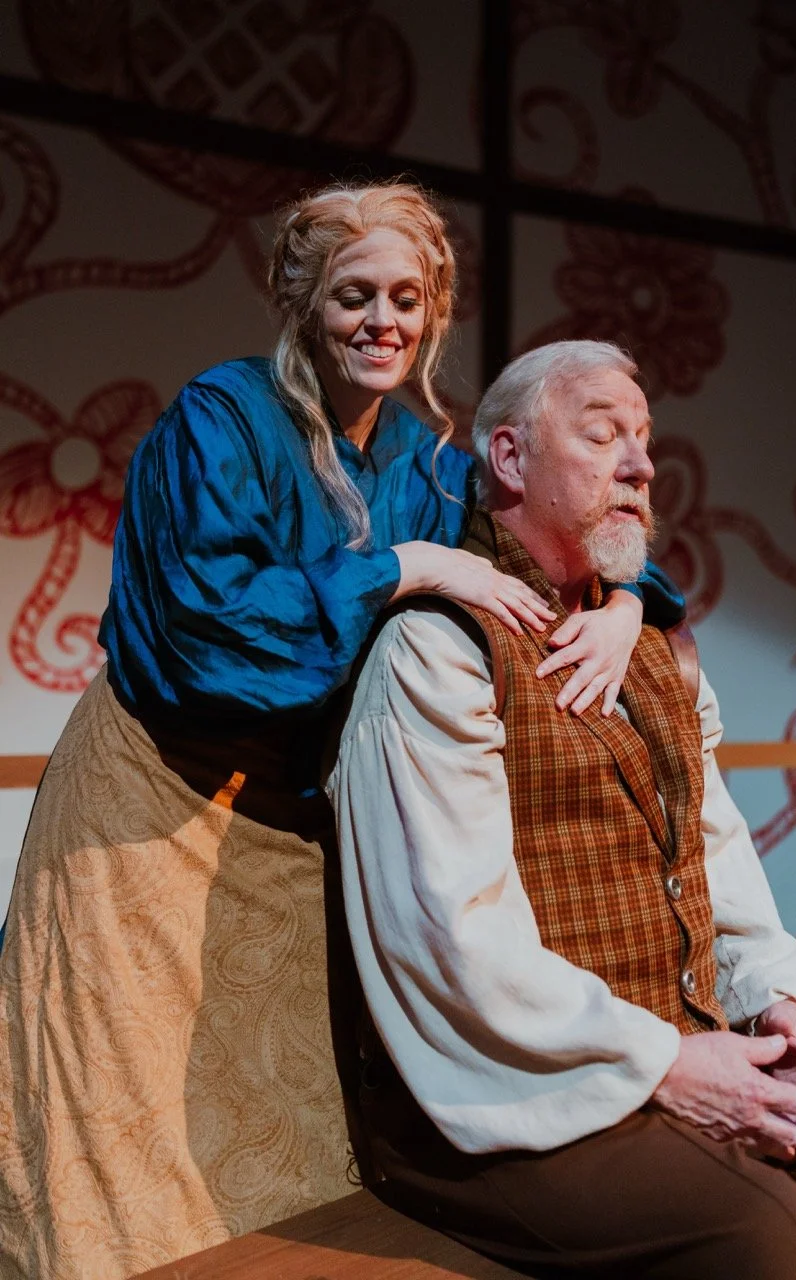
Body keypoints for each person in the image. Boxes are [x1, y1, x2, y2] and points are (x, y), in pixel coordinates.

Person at [0, 187, 683, 1280]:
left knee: (275, 1145)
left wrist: (627, 603)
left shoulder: (425, 462)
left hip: (293, 834)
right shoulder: (222, 418)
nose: (382, 321)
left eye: (405, 299)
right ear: (305, 304)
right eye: (353, 295)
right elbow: (209, 631)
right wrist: (402, 566)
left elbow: (557, 524)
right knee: (123, 1140)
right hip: (151, 807)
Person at [327, 338, 796, 1280]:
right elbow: (454, 939)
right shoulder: (437, 650)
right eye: (603, 434)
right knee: (771, 1238)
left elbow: (719, 864)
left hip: (658, 1051)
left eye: (644, 438)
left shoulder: (653, 652)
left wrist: (779, 1015)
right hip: (498, 1098)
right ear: (510, 457)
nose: (640, 464)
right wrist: (665, 1064)